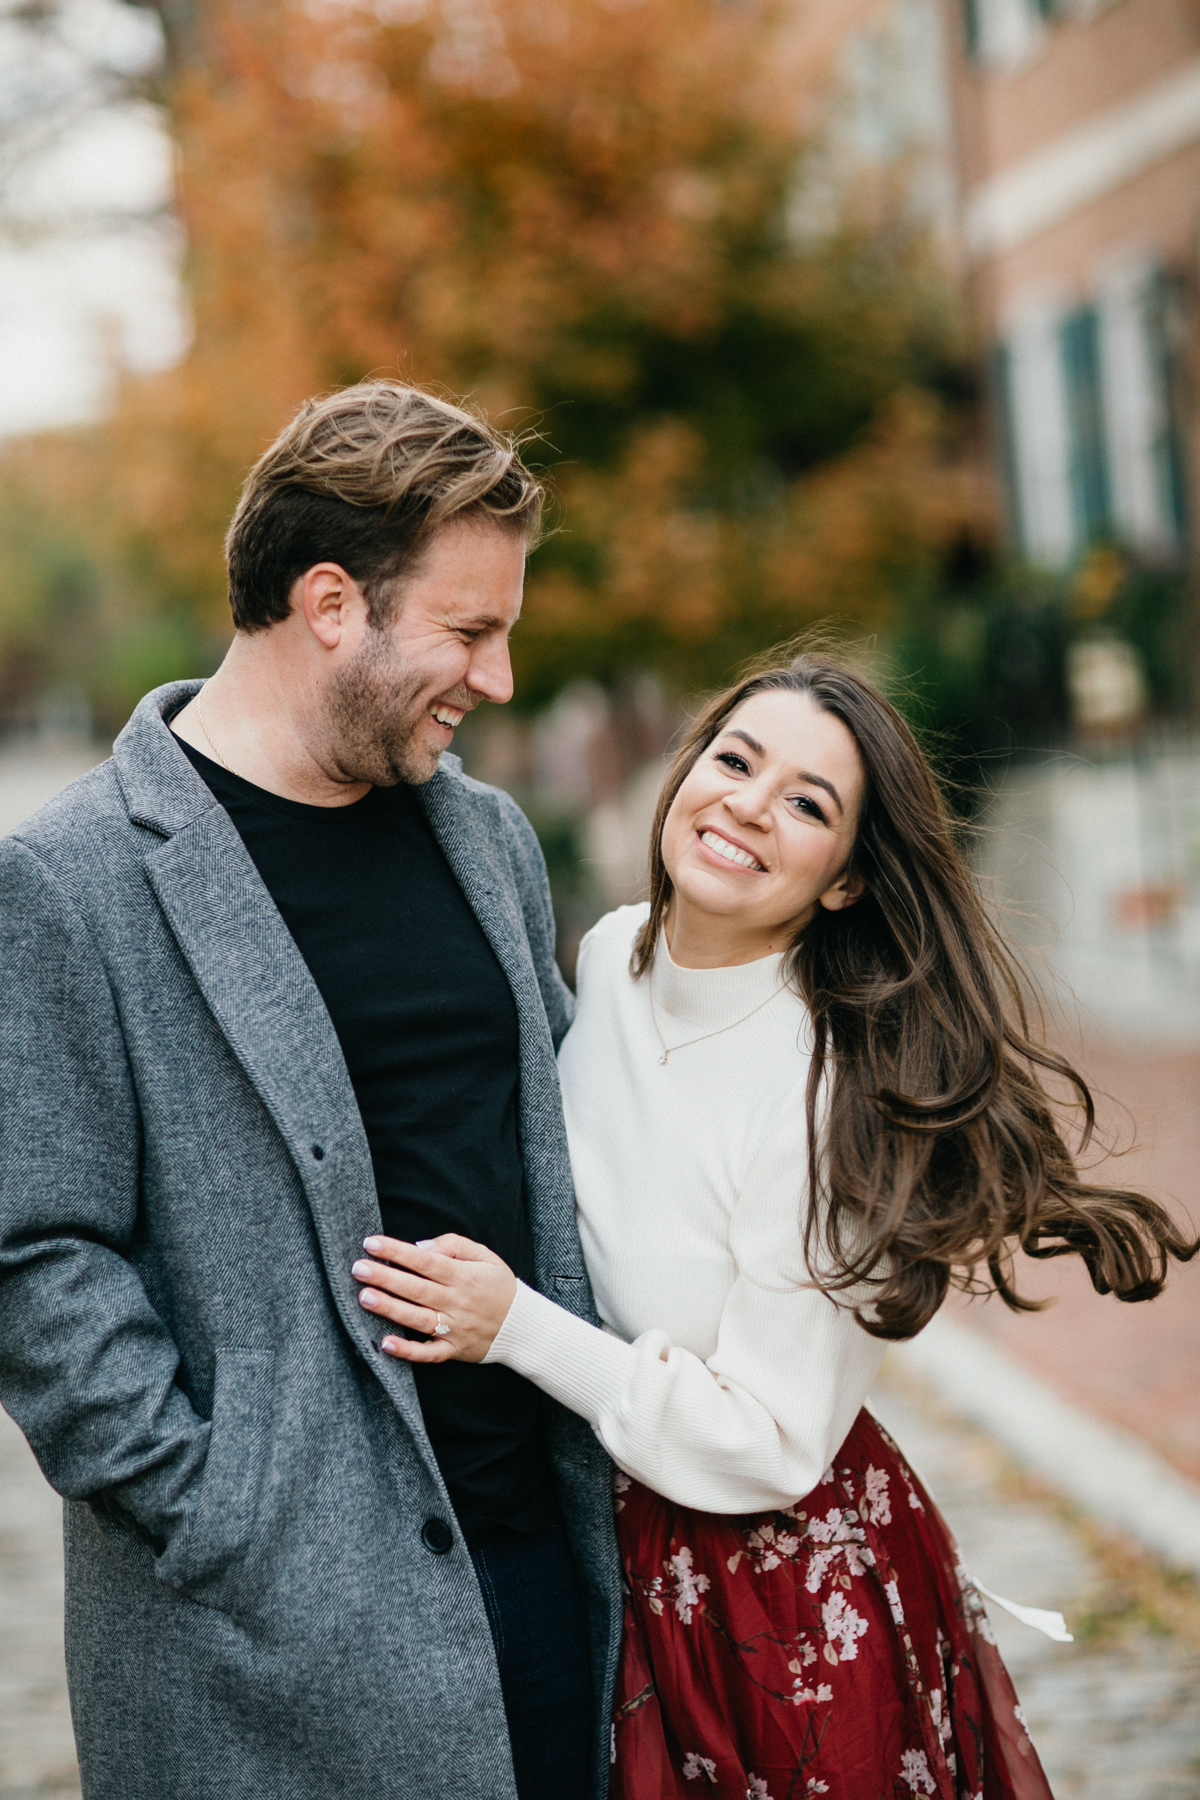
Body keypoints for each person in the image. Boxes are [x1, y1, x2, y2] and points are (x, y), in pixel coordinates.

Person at [351, 647, 1197, 1799]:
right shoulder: (610, 958)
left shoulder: (830, 1094)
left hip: (773, 1591)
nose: (748, 801)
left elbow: (770, 1442)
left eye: (807, 803)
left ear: (845, 879)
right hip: (598, 1551)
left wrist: (515, 1328)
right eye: (735, 757)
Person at [0, 382, 621, 1800]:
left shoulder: (490, 841)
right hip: (263, 1650)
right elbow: (34, 1253)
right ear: (331, 602)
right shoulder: (70, 880)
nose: (500, 679)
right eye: (471, 632)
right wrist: (225, 1519)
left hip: (544, 1573)